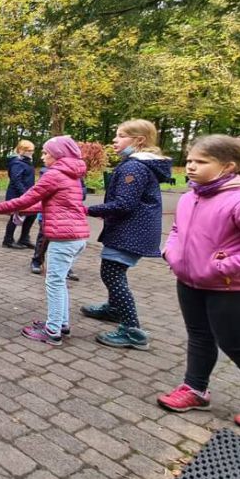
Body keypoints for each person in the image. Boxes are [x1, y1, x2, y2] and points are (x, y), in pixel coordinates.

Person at [156, 135, 240, 426]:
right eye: (190, 160)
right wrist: (170, 252)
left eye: (201, 161)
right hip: (188, 280)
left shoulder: (237, 199)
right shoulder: (189, 196)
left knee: (234, 343)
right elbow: (177, 230)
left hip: (228, 287)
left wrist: (222, 267)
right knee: (199, 336)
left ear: (228, 166)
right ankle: (195, 389)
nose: (191, 166)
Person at [0, 136, 89, 345]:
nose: (42, 156)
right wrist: (21, 211)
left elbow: (28, 198)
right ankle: (61, 323)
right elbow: (46, 204)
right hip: (77, 238)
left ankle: (52, 331)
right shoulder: (72, 175)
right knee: (59, 282)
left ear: (58, 155)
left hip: (64, 239)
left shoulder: (54, 175)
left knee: (54, 283)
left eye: (46, 153)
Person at [82, 119, 172, 351]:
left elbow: (124, 204)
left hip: (131, 231)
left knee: (112, 274)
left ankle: (133, 331)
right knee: (114, 271)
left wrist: (89, 210)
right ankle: (114, 309)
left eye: (121, 136)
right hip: (133, 229)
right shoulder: (137, 164)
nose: (115, 140)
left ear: (139, 140)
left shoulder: (134, 167)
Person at [30, 166, 83, 281]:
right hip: (49, 214)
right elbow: (40, 193)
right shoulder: (47, 172)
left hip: (69, 216)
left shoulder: (75, 173)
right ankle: (37, 261)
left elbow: (82, 193)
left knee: (67, 243)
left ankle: (66, 267)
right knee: (43, 239)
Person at [3, 140, 37, 249]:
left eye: (32, 150)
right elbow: (16, 181)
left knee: (31, 214)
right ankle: (8, 240)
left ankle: (24, 238)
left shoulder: (27, 161)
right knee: (15, 216)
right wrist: (25, 194)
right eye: (28, 150)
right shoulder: (17, 163)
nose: (31, 152)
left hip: (27, 193)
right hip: (17, 194)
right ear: (21, 150)